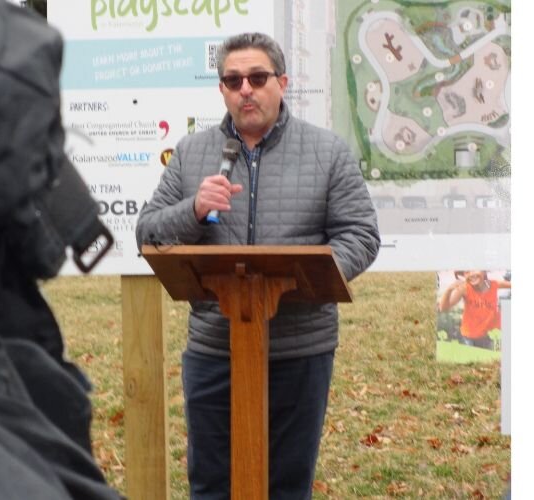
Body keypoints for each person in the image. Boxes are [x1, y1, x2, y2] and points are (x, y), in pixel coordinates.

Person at [135, 32, 380, 500]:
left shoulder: (327, 153)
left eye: (257, 77)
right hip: (215, 348)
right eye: (232, 80)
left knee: (286, 486)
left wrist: (311, 280)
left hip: (298, 348)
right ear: (222, 90)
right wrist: (192, 209)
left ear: (282, 82)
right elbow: (148, 232)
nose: (245, 89)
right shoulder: (191, 153)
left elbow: (361, 235)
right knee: (211, 485)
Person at [438, 270, 511, 349]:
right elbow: (443, 308)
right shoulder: (464, 288)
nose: (471, 274)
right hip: (469, 336)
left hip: (490, 335)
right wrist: (449, 290)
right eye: (466, 272)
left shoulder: (494, 284)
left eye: (475, 270)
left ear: (484, 272)